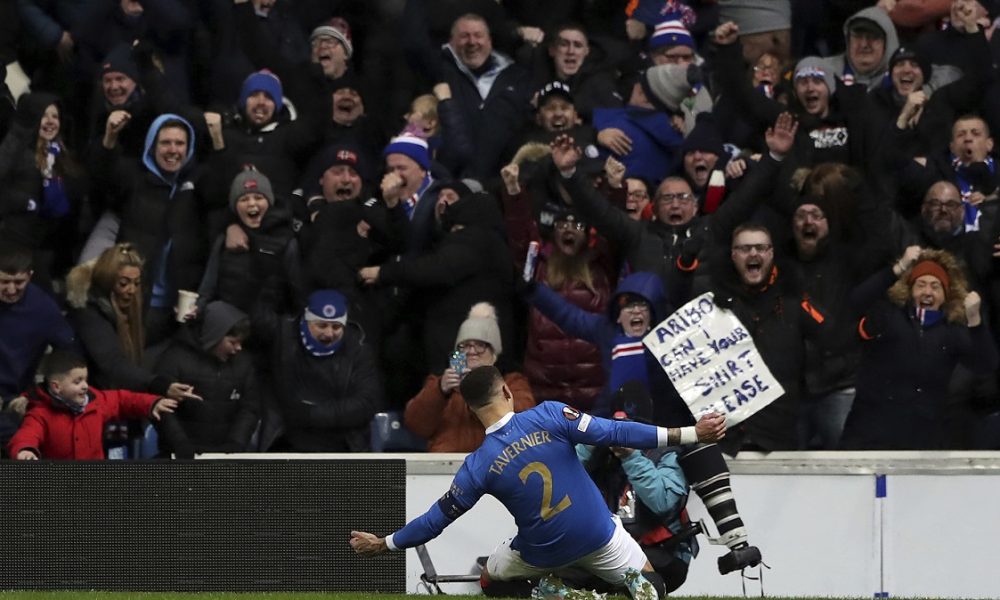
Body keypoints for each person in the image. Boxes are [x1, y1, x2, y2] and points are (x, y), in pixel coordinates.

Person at [350, 365, 727, 600]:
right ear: (508, 392)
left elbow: (436, 519)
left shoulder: (476, 466)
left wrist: (385, 544)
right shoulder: (549, 415)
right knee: (654, 587)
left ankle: (553, 594)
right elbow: (617, 430)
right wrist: (693, 433)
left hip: (541, 551)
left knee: (489, 581)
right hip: (599, 534)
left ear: (469, 409)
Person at [841, 247, 999, 449]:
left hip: (921, 439)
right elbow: (855, 302)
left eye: (935, 286)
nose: (927, 292)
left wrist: (976, 322)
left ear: (946, 294)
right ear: (909, 289)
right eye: (921, 285)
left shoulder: (953, 331)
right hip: (868, 433)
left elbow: (986, 364)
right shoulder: (888, 315)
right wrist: (897, 269)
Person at [254, 289, 382, 452]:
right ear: (307, 321)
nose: (329, 333)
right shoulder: (282, 336)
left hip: (341, 446)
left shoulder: (358, 349)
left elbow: (366, 403)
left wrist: (312, 414)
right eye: (322, 325)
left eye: (336, 327)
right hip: (286, 443)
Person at [404, 302, 535, 452]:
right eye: (464, 345)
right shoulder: (441, 383)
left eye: (480, 345)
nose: (471, 352)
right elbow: (416, 426)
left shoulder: (513, 382)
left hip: (496, 462)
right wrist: (440, 391)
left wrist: (484, 388)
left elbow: (524, 421)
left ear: (494, 352)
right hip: (446, 464)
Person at [7, 350, 180, 460]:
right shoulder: (40, 413)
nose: (85, 386)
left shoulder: (96, 401)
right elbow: (27, 435)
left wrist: (152, 402)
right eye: (77, 381)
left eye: (85, 380)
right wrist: (25, 450)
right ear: (56, 387)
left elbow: (123, 400)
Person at [154, 301, 261, 456]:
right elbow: (162, 405)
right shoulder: (175, 358)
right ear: (215, 336)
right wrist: (180, 443)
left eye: (241, 342)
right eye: (232, 342)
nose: (238, 348)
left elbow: (249, 408)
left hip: (225, 456)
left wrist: (236, 443)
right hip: (180, 456)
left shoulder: (243, 364)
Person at [0, 243, 77, 450]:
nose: (11, 289)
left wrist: (56, 388)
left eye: (19, 282)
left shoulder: (42, 308)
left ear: (30, 276)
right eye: (4, 281)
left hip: (13, 401)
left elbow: (68, 350)